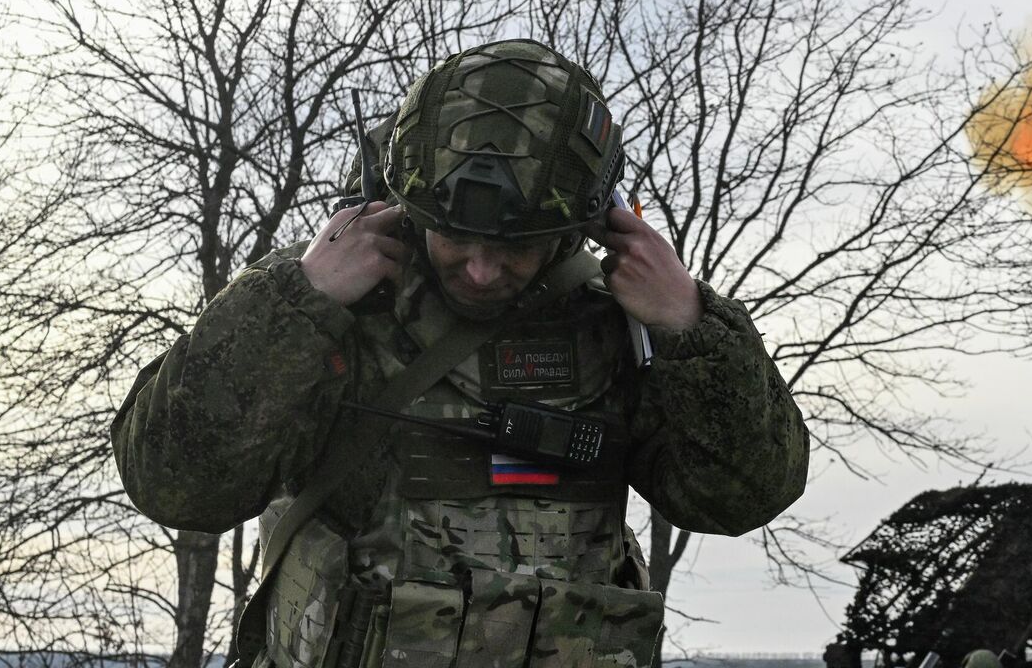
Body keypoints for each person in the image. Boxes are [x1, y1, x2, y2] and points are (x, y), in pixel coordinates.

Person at [112, 39, 809, 668]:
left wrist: (692, 325)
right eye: (456, 238)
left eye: (515, 247)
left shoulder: (620, 321)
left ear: (582, 224)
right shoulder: (330, 301)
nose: (480, 270)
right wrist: (297, 300)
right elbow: (174, 482)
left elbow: (741, 498)